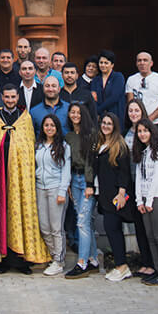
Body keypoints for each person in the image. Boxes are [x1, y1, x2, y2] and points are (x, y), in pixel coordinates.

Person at [0, 84, 49, 273]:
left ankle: (21, 260)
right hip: (0, 175)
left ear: (17, 98)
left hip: (20, 178)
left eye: (13, 97)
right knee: (2, 214)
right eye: (7, 97)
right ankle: (4, 260)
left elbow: (27, 145)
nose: (10, 100)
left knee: (20, 212)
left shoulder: (25, 118)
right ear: (2, 97)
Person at [95, 112, 134, 282]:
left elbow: (124, 173)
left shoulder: (120, 146)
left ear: (115, 126)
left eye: (109, 124)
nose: (105, 126)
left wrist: (121, 193)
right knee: (111, 230)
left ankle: (122, 266)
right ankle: (120, 265)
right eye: (103, 123)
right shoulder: (100, 144)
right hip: (103, 194)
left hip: (115, 196)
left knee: (113, 229)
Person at [64, 103, 99, 279]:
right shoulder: (69, 136)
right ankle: (93, 259)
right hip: (74, 180)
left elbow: (91, 161)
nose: (75, 115)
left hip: (86, 181)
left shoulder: (91, 135)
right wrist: (68, 183)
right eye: (72, 112)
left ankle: (82, 262)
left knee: (81, 223)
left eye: (78, 112)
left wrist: (90, 184)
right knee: (86, 222)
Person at [133, 119, 158, 285]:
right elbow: (139, 178)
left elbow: (157, 177)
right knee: (150, 236)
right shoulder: (142, 152)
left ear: (152, 132)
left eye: (145, 131)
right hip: (145, 200)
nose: (142, 134)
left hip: (157, 198)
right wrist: (138, 200)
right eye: (139, 131)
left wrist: (149, 200)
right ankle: (156, 269)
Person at [34, 113, 71, 276]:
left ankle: (59, 261)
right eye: (46, 125)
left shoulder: (63, 146)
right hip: (40, 188)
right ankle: (53, 254)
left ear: (57, 128)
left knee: (56, 228)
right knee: (44, 227)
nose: (49, 128)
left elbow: (66, 171)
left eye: (52, 126)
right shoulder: (39, 145)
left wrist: (62, 191)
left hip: (56, 188)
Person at [124, 97, 155, 278]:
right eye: (131, 111)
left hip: (147, 186)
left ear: (142, 111)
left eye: (136, 110)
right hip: (132, 184)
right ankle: (145, 262)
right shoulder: (127, 133)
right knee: (139, 226)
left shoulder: (148, 131)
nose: (133, 113)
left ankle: (153, 263)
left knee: (150, 227)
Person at [125, 52, 158, 129]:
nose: (142, 63)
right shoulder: (131, 80)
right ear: (136, 63)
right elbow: (130, 103)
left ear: (151, 63)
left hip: (157, 122)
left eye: (145, 60)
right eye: (139, 60)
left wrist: (150, 119)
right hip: (137, 123)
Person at [90, 49, 125, 121]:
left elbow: (114, 97)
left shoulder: (118, 77)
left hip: (115, 115)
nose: (103, 65)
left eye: (106, 63)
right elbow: (93, 98)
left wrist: (98, 110)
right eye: (101, 62)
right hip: (100, 118)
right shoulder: (95, 80)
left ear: (112, 65)